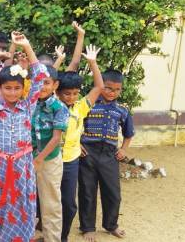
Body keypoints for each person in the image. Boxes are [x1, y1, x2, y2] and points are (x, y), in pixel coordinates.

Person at [0, 32, 48, 242]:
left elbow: (40, 76)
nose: (12, 93)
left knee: (20, 204)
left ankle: (15, 238)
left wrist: (26, 45)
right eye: (7, 88)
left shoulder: (28, 105)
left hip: (22, 164)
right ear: (1, 88)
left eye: (16, 88)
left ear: (23, 89)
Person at [78, 70, 135, 242]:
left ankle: (111, 225)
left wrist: (124, 149)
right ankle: (87, 227)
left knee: (113, 192)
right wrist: (77, 145)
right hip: (87, 153)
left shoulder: (122, 109)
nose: (112, 93)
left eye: (117, 90)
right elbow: (74, 124)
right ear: (100, 86)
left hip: (110, 155)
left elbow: (129, 133)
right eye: (108, 88)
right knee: (87, 191)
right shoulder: (89, 104)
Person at [58, 45, 103, 242]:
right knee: (44, 201)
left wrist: (93, 63)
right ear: (57, 92)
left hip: (70, 162)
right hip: (48, 160)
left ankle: (63, 236)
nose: (71, 97)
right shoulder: (51, 105)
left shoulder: (80, 107)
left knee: (68, 204)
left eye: (75, 93)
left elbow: (99, 87)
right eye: (67, 93)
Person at [31, 66, 70, 242]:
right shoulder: (29, 103)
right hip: (27, 159)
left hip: (49, 160)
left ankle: (52, 239)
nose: (41, 86)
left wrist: (39, 158)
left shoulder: (59, 107)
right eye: (37, 82)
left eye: (46, 83)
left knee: (50, 204)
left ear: (55, 85)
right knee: (26, 202)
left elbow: (56, 138)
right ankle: (26, 235)